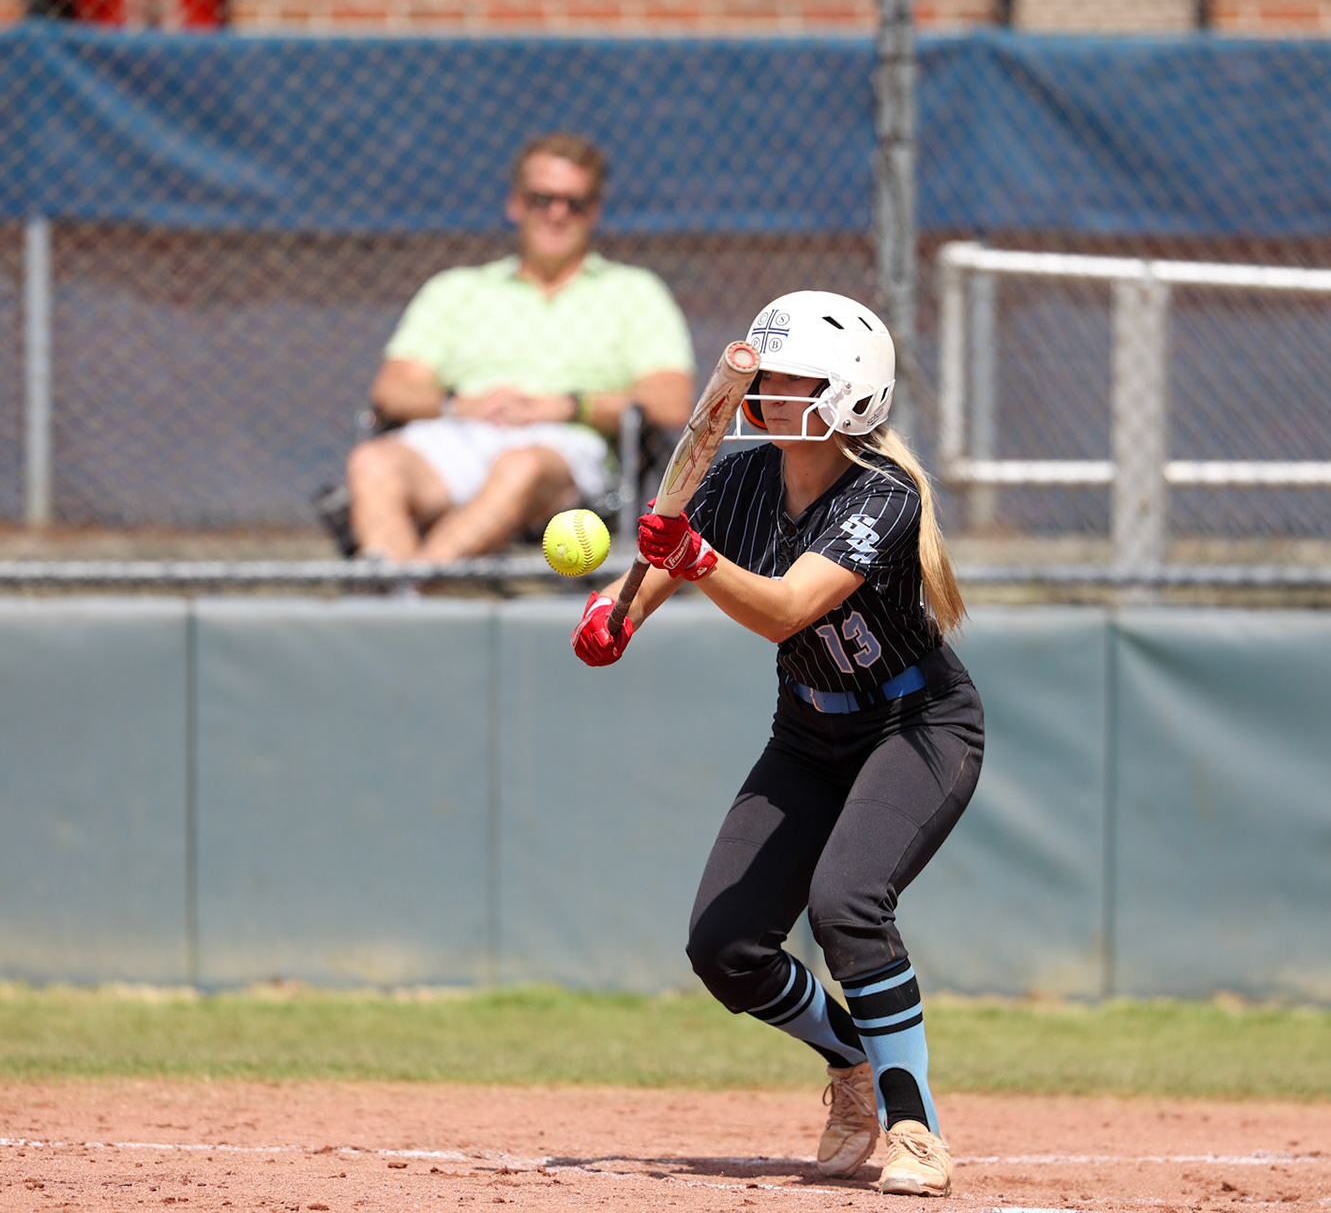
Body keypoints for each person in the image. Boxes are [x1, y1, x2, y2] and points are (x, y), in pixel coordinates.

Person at [571, 291, 984, 1198]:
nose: (770, 390)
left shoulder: (884, 494)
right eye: (773, 373)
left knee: (848, 903)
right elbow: (665, 557)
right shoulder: (743, 475)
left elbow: (790, 606)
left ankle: (916, 1128)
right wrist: (618, 615)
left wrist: (696, 562)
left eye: (799, 377)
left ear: (851, 394)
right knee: (725, 948)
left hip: (915, 725)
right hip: (807, 728)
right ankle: (851, 1064)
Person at [346, 133, 695, 562]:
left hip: (565, 449)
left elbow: (671, 401)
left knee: (519, 465)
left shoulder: (635, 293)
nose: (557, 214)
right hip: (458, 431)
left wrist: (566, 406)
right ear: (516, 204)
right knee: (372, 462)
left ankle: (406, 594)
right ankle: (404, 601)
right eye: (541, 199)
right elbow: (393, 388)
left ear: (595, 212)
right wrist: (462, 405)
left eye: (575, 202)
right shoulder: (454, 289)